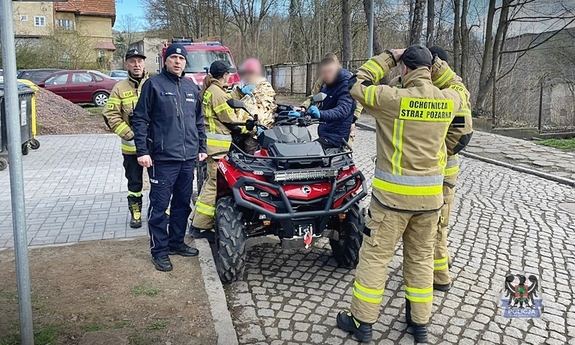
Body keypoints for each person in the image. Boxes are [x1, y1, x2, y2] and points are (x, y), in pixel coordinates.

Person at [336, 45, 467, 343]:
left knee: (375, 258)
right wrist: (438, 67)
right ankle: (419, 325)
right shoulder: (449, 99)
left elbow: (355, 83)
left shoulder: (392, 99)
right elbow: (460, 87)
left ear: (404, 69)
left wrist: (387, 57)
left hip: (391, 203)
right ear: (430, 69)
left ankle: (362, 322)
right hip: (431, 202)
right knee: (421, 260)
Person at [132, 43, 207, 272]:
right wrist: (143, 151)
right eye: (173, 57)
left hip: (188, 158)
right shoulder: (153, 85)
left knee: (182, 204)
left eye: (181, 59)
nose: (177, 62)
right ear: (165, 60)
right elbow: (140, 120)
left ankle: (176, 243)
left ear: (186, 63)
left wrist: (201, 147)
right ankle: (159, 251)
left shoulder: (191, 87)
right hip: (162, 159)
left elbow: (199, 121)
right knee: (159, 207)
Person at [190, 61, 252, 242]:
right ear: (224, 75)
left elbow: (225, 104)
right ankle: (200, 226)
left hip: (212, 146)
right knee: (213, 186)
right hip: (218, 148)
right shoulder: (217, 93)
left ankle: (196, 219)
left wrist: (239, 93)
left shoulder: (212, 90)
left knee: (210, 183)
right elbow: (231, 120)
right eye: (228, 74)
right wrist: (250, 129)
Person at [428, 46, 473, 291]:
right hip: (438, 172)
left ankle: (440, 276)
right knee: (436, 225)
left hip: (442, 173)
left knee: (437, 225)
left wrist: (437, 150)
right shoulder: (442, 90)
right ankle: (436, 266)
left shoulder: (451, 92)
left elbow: (462, 135)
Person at [102, 49, 150, 229]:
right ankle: (136, 213)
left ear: (144, 63)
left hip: (155, 147)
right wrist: (131, 135)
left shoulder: (154, 84)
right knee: (134, 182)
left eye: (140, 61)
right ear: (126, 64)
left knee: (159, 181)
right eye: (132, 61)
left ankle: (159, 213)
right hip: (131, 148)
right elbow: (110, 114)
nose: (136, 65)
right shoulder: (119, 88)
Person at [304, 53, 363, 147]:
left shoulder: (348, 80)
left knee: (343, 154)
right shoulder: (322, 80)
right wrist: (304, 108)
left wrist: (353, 120)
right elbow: (314, 97)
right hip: (327, 126)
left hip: (343, 127)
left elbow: (357, 101)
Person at [232, 58, 277, 129]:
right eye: (245, 73)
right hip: (243, 126)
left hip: (257, 130)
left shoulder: (264, 87)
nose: (247, 76)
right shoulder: (242, 86)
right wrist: (239, 92)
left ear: (257, 73)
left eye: (250, 73)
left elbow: (261, 113)